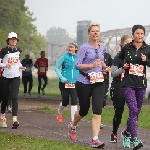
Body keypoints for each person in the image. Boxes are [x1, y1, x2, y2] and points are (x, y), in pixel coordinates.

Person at [68, 23, 110, 148]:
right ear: (89, 33)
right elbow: (77, 65)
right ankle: (73, 125)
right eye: (93, 31)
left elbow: (101, 61)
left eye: (97, 31)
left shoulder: (102, 47)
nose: (95, 33)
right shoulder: (84, 48)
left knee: (97, 110)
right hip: (84, 82)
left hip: (98, 82)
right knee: (84, 110)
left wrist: (105, 67)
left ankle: (95, 139)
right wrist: (91, 66)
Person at [118, 25, 150, 149]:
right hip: (127, 83)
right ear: (133, 34)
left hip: (141, 84)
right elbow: (118, 59)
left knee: (136, 112)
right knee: (134, 110)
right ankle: (135, 139)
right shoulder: (127, 48)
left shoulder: (147, 48)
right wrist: (122, 66)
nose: (140, 36)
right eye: (138, 33)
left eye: (142, 34)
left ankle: (126, 133)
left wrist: (146, 60)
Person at [0, 32, 25, 129]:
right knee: (5, 98)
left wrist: (21, 67)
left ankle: (15, 119)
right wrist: (5, 65)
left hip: (16, 76)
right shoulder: (4, 51)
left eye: (15, 39)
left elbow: (17, 61)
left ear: (17, 41)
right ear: (8, 41)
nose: (13, 41)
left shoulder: (18, 50)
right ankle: (2, 115)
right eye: (12, 39)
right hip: (6, 76)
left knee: (14, 97)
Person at [110, 35, 132, 143]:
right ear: (122, 44)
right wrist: (123, 69)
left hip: (131, 86)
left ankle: (127, 132)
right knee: (119, 112)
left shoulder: (134, 57)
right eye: (127, 43)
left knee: (133, 111)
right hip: (118, 86)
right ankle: (114, 133)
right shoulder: (118, 58)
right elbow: (113, 74)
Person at [55, 42, 79, 123]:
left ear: (76, 49)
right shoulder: (64, 57)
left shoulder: (79, 58)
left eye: (72, 47)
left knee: (74, 101)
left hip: (75, 83)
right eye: (69, 47)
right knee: (65, 101)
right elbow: (57, 68)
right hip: (64, 82)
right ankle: (59, 112)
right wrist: (62, 78)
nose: (70, 48)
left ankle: (73, 122)